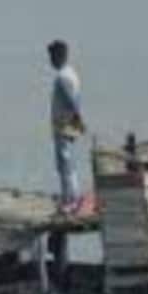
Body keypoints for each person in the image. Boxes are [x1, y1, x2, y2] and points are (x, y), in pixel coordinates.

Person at [48, 39, 87, 213]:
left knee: (64, 163)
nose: (50, 60)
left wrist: (78, 120)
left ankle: (70, 200)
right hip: (69, 123)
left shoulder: (62, 77)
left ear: (59, 55)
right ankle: (72, 197)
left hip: (63, 124)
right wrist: (78, 122)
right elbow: (76, 100)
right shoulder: (72, 73)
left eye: (52, 56)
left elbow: (71, 101)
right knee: (68, 161)